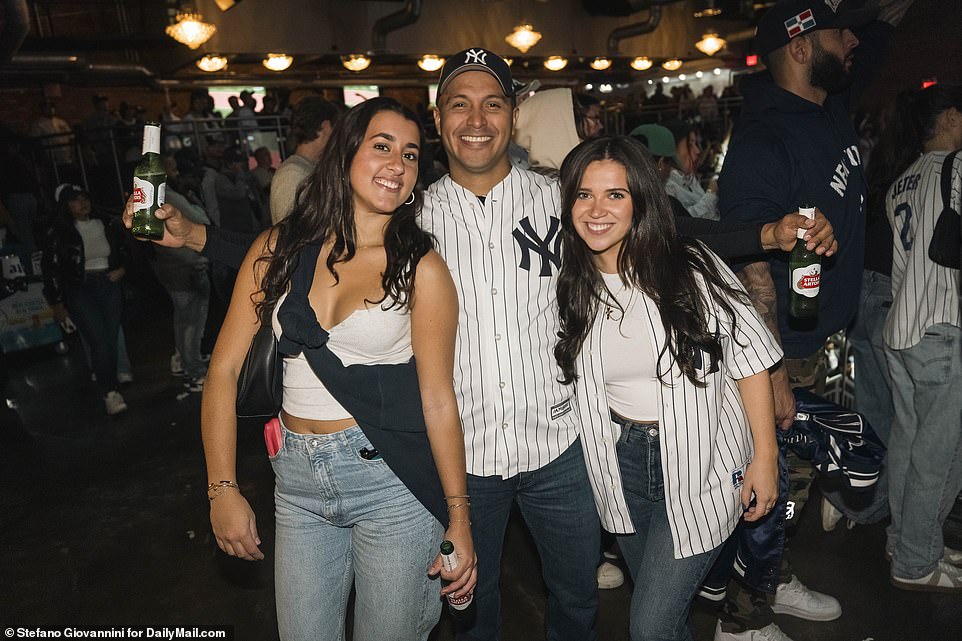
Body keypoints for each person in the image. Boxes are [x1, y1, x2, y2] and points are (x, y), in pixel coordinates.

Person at [199, 97, 476, 641]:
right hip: (297, 483)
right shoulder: (278, 248)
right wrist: (222, 488)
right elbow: (223, 372)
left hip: (391, 482)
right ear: (346, 152)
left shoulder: (422, 268)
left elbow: (439, 399)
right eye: (381, 146)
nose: (398, 163)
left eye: (412, 154)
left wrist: (459, 519)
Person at [716, 1, 915, 638]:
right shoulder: (763, 141)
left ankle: (771, 578)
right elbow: (748, 268)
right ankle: (741, 621)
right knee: (773, 478)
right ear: (801, 48)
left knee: (797, 482)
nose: (851, 40)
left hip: (822, 337)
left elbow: (874, 41)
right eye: (838, 32)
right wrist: (770, 371)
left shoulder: (824, 104)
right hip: (782, 348)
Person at [555, 134, 781, 641]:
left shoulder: (691, 266)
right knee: (667, 616)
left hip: (705, 464)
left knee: (651, 624)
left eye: (615, 194)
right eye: (584, 194)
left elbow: (751, 359)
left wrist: (764, 458)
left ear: (641, 200)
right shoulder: (568, 284)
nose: (597, 209)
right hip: (620, 467)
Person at [420, 48, 602, 641]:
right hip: (461, 460)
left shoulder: (562, 200)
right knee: (472, 607)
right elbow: (310, 250)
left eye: (492, 104)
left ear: (513, 115)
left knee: (576, 598)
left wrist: (764, 232)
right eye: (460, 104)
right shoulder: (408, 219)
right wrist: (199, 236)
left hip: (560, 446)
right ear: (438, 117)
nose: (476, 120)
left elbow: (663, 235)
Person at [879, 84, 962, 591]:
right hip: (943, 327)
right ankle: (915, 561)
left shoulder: (901, 181)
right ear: (951, 117)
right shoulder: (956, 168)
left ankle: (904, 540)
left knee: (907, 446)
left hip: (902, 329)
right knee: (938, 453)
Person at [41, 184, 129, 415]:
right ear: (66, 206)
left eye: (84, 198)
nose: (83, 204)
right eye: (76, 200)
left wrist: (122, 268)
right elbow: (51, 270)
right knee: (98, 339)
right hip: (80, 289)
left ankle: (110, 382)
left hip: (108, 283)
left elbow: (123, 248)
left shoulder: (105, 223)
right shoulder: (60, 232)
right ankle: (110, 391)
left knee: (110, 338)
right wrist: (58, 304)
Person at [271, 95, 339, 223]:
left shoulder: (307, 167)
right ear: (325, 126)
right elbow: (291, 232)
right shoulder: (292, 173)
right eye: (334, 128)